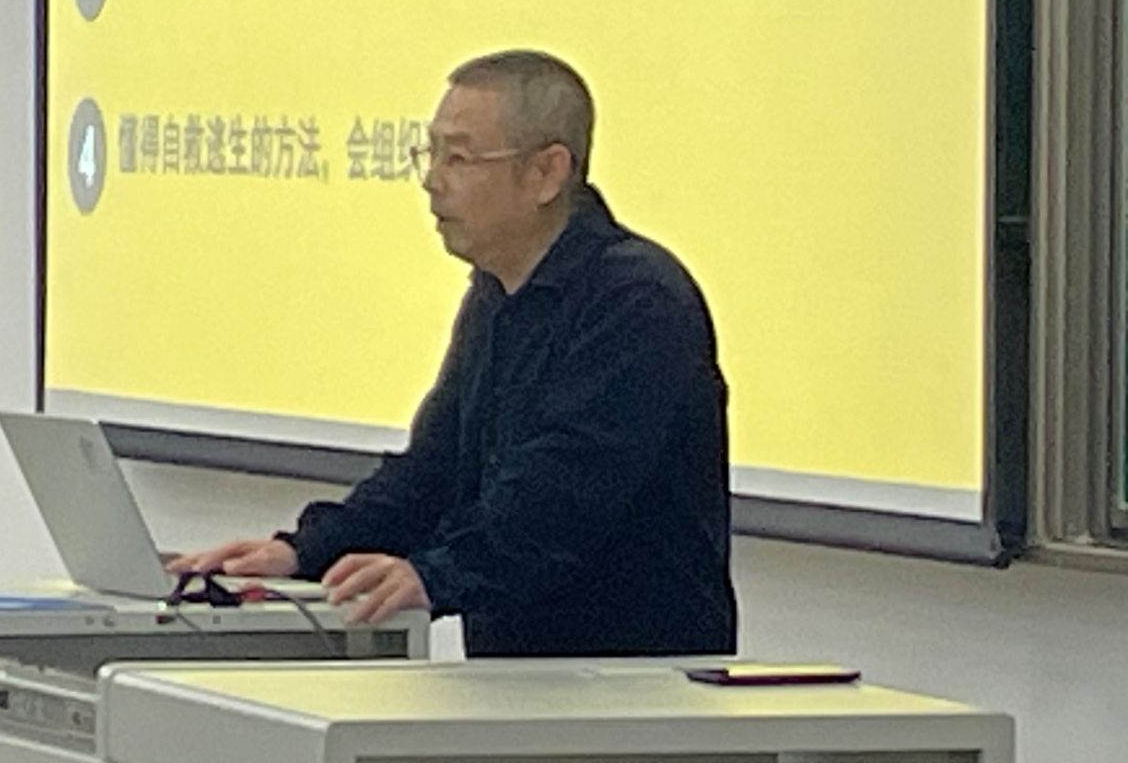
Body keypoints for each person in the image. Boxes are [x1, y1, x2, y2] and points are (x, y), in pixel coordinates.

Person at [172, 50, 737, 658]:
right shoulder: (495, 293)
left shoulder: (637, 301)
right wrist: (302, 552)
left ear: (546, 173)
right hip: (518, 680)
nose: (431, 179)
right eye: (431, 152)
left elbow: (561, 498)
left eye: (459, 158)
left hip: (638, 685)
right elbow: (432, 472)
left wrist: (433, 576)